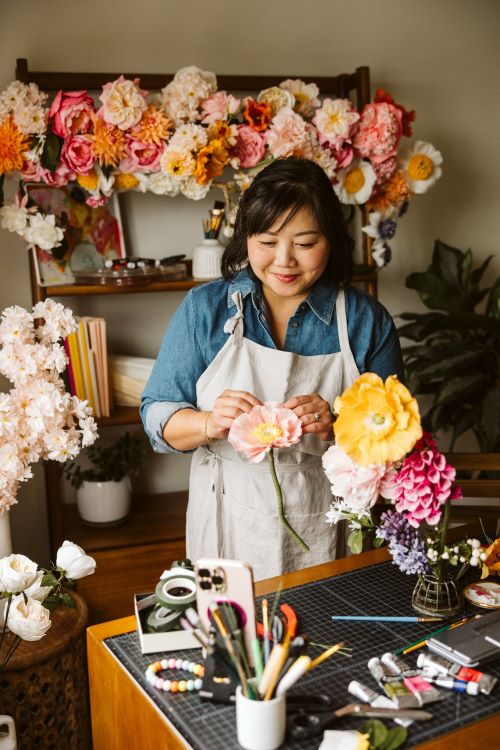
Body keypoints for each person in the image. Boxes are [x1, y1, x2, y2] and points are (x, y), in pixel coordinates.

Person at [141, 157, 404, 580]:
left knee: (328, 639)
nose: (284, 261)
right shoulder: (205, 310)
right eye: (266, 241)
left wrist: (339, 426)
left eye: (304, 243)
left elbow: (397, 442)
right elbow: (155, 415)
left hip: (330, 524)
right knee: (234, 638)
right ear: (245, 236)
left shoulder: (365, 321)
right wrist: (209, 422)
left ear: (332, 240)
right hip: (227, 519)